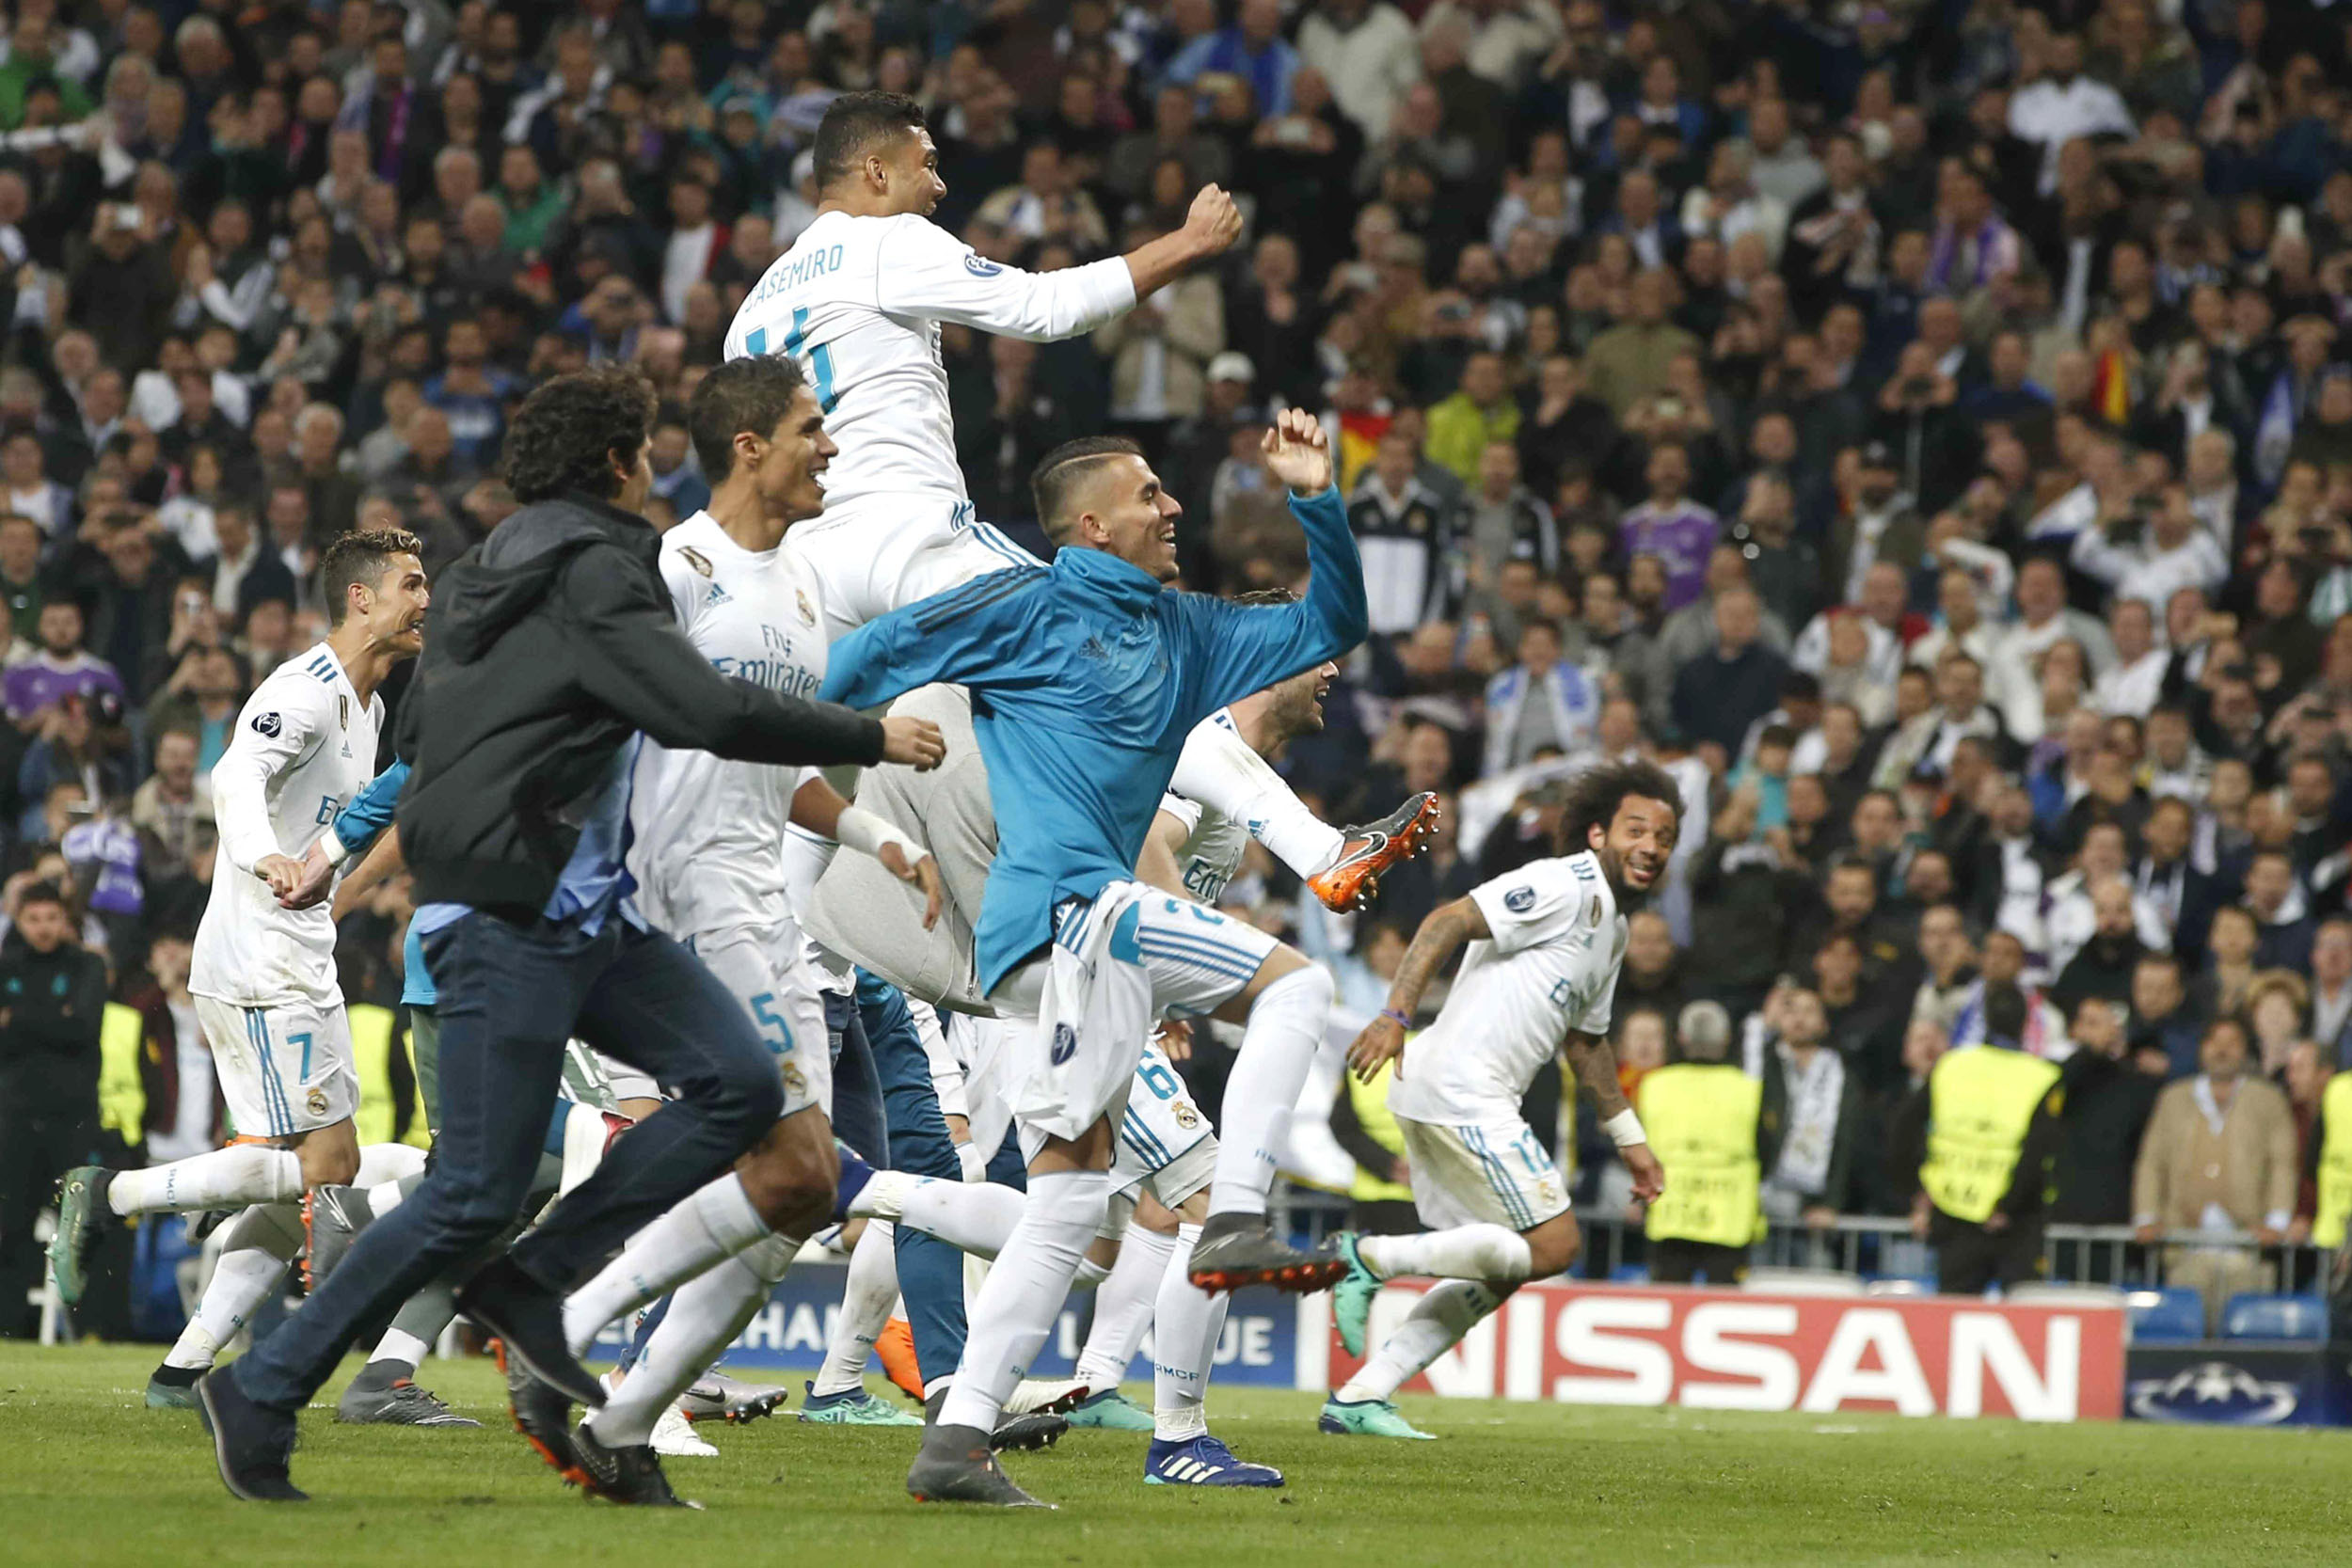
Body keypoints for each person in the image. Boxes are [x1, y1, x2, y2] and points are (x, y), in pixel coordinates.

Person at [184, 368, 943, 1507]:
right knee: (470, 1192)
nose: (655, 469)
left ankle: (533, 1278)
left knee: (738, 1085)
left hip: (585, 906)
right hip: (511, 908)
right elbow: (703, 709)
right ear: (621, 464)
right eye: (643, 450)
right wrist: (867, 734)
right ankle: (266, 1384)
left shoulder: (494, 566)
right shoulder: (604, 562)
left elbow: (446, 728)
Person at [817, 411, 1367, 1506]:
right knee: (1297, 982)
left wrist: (1318, 494)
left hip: (1086, 945)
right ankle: (1242, 1220)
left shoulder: (1190, 629)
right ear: (1090, 523)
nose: (1173, 507)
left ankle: (956, 1440)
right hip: (1064, 912)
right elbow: (857, 661)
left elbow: (1333, 618)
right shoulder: (1017, 605)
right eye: (1151, 493)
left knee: (1068, 1200)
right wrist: (842, 765)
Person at [724, 91, 1423, 917]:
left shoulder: (749, 313)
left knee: (823, 777)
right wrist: (1188, 243)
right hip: (910, 543)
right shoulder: (882, 240)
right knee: (1136, 655)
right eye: (928, 164)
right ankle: (1321, 848)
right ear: (875, 170)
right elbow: (1043, 309)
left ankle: (782, 989)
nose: (940, 187)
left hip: (804, 572)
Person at [527, 354, 952, 1498]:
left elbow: (773, 766)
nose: (832, 446)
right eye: (814, 427)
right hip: (687, 886)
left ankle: (620, 1412)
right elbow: (621, 718)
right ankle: (562, 1320)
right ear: (750, 445)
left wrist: (878, 840)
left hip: (772, 893)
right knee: (784, 1151)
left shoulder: (807, 584)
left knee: (802, 1189)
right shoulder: (675, 566)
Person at [48, 531, 434, 1315]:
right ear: (361, 597)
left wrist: (348, 884)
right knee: (330, 1162)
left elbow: (339, 824)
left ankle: (177, 1340)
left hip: (302, 950)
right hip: (259, 953)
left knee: (311, 1160)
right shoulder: (303, 687)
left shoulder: (374, 706)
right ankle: (118, 1194)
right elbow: (234, 775)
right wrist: (267, 858)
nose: (427, 600)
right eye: (412, 584)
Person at [1322, 760, 1677, 1438]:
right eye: (1637, 828)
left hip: (1450, 1092)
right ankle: (1369, 1256)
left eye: (1664, 835)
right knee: (1554, 1243)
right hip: (1462, 1087)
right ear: (1599, 832)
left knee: (1505, 1263)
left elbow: (1586, 1043)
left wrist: (1631, 1141)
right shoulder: (1562, 882)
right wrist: (1395, 1014)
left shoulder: (1615, 929)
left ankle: (1363, 1395)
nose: (1652, 846)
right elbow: (1446, 919)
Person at [1892, 982, 2065, 1294]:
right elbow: (2036, 1153)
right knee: (2023, 1320)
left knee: (1953, 1322)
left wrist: (1917, 1190)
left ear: (1984, 1017)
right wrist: (2005, 1207)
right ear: (2027, 1022)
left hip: (1954, 1211)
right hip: (2015, 1223)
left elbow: (1903, 1130)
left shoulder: (1951, 1065)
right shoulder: (2042, 1077)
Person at [2132, 1017, 2298, 1334]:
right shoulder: (2173, 1098)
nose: (2222, 1050)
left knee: (2246, 1342)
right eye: (2214, 1042)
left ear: (2244, 1050)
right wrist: (2145, 1217)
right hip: (2184, 1245)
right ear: (2201, 1049)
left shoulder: (2268, 1099)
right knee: (2182, 1337)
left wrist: (2277, 1223)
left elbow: (2282, 1164)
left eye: (2231, 1042)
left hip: (2247, 1248)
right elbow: (2151, 1163)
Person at [0, 882, 107, 1335]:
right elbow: (65, 1028)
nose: (43, 929)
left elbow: (83, 1028)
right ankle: (11, 1327)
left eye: (51, 918)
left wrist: (17, 1019)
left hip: (73, 1119)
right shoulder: (6, 966)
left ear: (65, 921)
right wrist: (55, 1019)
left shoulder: (87, 966)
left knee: (85, 1225)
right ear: (18, 920)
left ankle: (94, 1330)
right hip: (15, 1118)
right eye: (33, 919)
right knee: (10, 1226)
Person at [1638, 1000, 1762, 1284]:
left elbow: (1637, 1145)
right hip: (1730, 1218)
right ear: (1727, 1039)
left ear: (1681, 1038)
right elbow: (1768, 1150)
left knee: (1668, 1307)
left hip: (1669, 1213)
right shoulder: (1749, 1089)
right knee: (1724, 1310)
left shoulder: (1654, 1085)